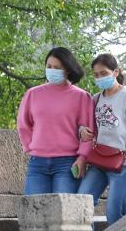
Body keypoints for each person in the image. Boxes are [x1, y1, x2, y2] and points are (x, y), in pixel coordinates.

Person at [76, 53, 126, 227]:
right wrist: (81, 130)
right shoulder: (96, 99)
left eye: (104, 73)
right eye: (96, 75)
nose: (99, 78)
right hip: (99, 160)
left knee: (114, 211)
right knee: (81, 202)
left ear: (116, 72)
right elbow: (84, 123)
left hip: (124, 162)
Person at [17, 47, 94, 194]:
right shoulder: (33, 94)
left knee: (65, 208)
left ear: (67, 70)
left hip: (68, 163)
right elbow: (23, 124)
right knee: (34, 207)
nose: (52, 70)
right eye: (49, 66)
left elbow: (89, 131)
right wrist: (30, 147)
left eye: (57, 67)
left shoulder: (81, 96)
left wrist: (83, 157)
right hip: (37, 163)